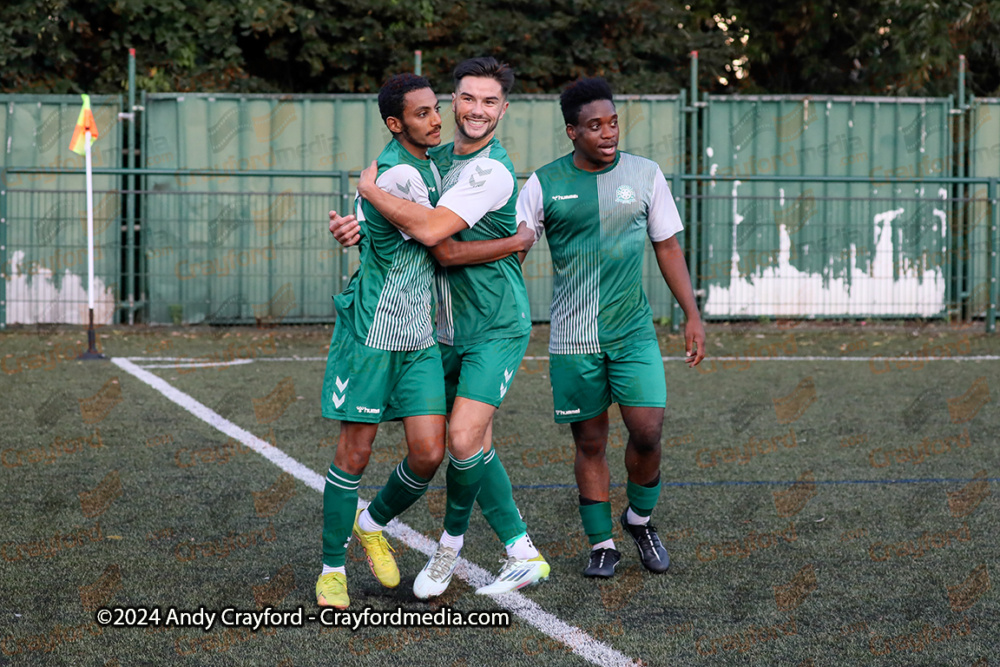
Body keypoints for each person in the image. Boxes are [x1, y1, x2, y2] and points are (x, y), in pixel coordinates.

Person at [333, 57, 550, 598]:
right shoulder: (439, 159)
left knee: (458, 439)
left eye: (490, 101)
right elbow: (402, 227)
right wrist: (359, 225)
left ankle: (447, 551)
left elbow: (436, 238)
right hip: (445, 329)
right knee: (474, 445)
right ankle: (521, 551)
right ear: (454, 101)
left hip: (496, 324)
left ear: (504, 108)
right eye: (468, 99)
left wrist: (369, 188)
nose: (477, 110)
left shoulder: (490, 170)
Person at [515, 77, 706, 578]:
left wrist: (691, 313)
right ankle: (602, 543)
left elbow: (667, 246)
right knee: (591, 443)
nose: (608, 133)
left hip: (633, 333)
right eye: (594, 125)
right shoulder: (543, 183)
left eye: (613, 122)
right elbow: (512, 250)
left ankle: (639, 520)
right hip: (573, 341)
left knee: (648, 431)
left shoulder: (645, 175)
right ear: (572, 131)